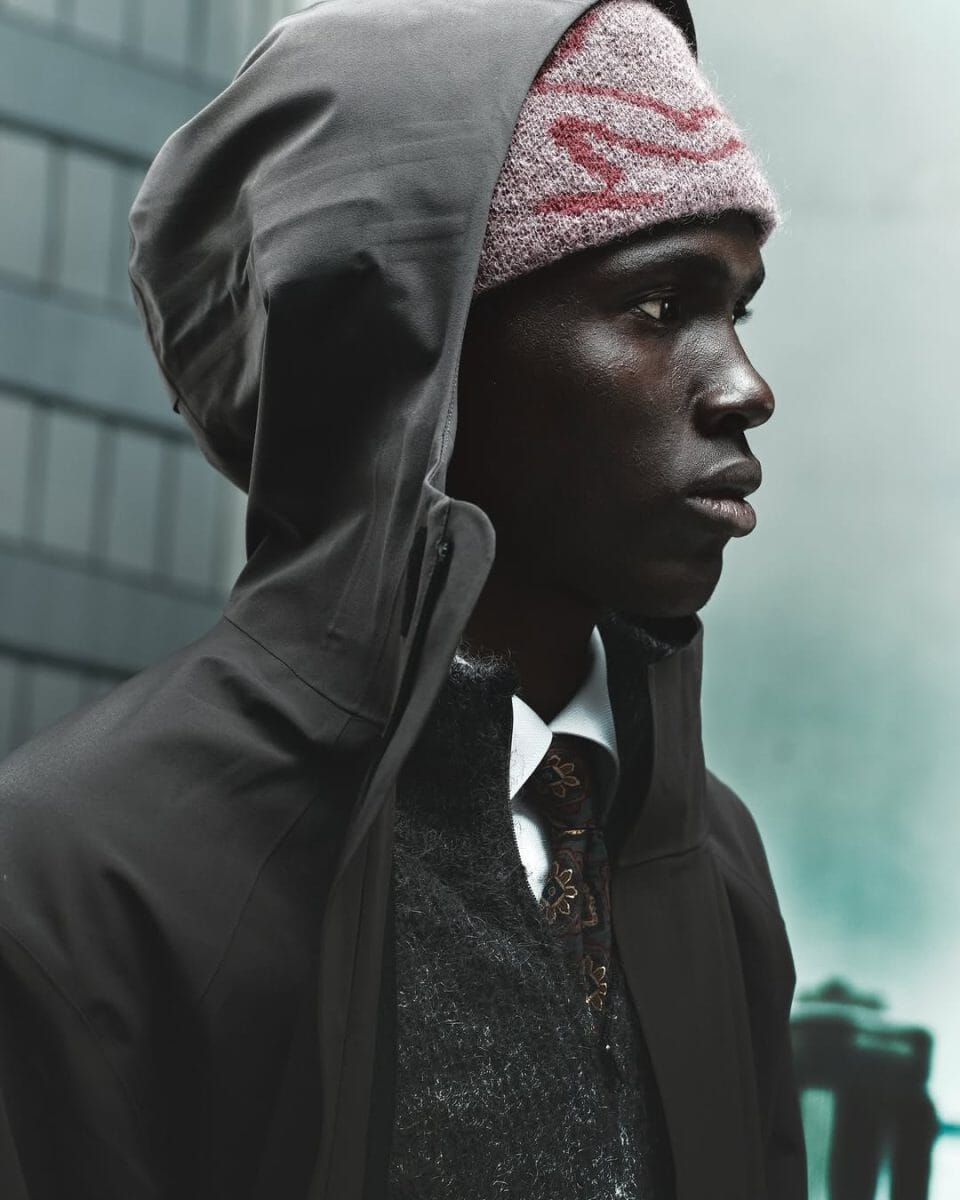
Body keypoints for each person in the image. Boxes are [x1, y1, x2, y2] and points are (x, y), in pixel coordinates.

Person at [0, 0, 807, 1196]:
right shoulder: (70, 870)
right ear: (413, 351)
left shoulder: (704, 850)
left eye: (737, 310)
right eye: (660, 306)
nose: (747, 387)